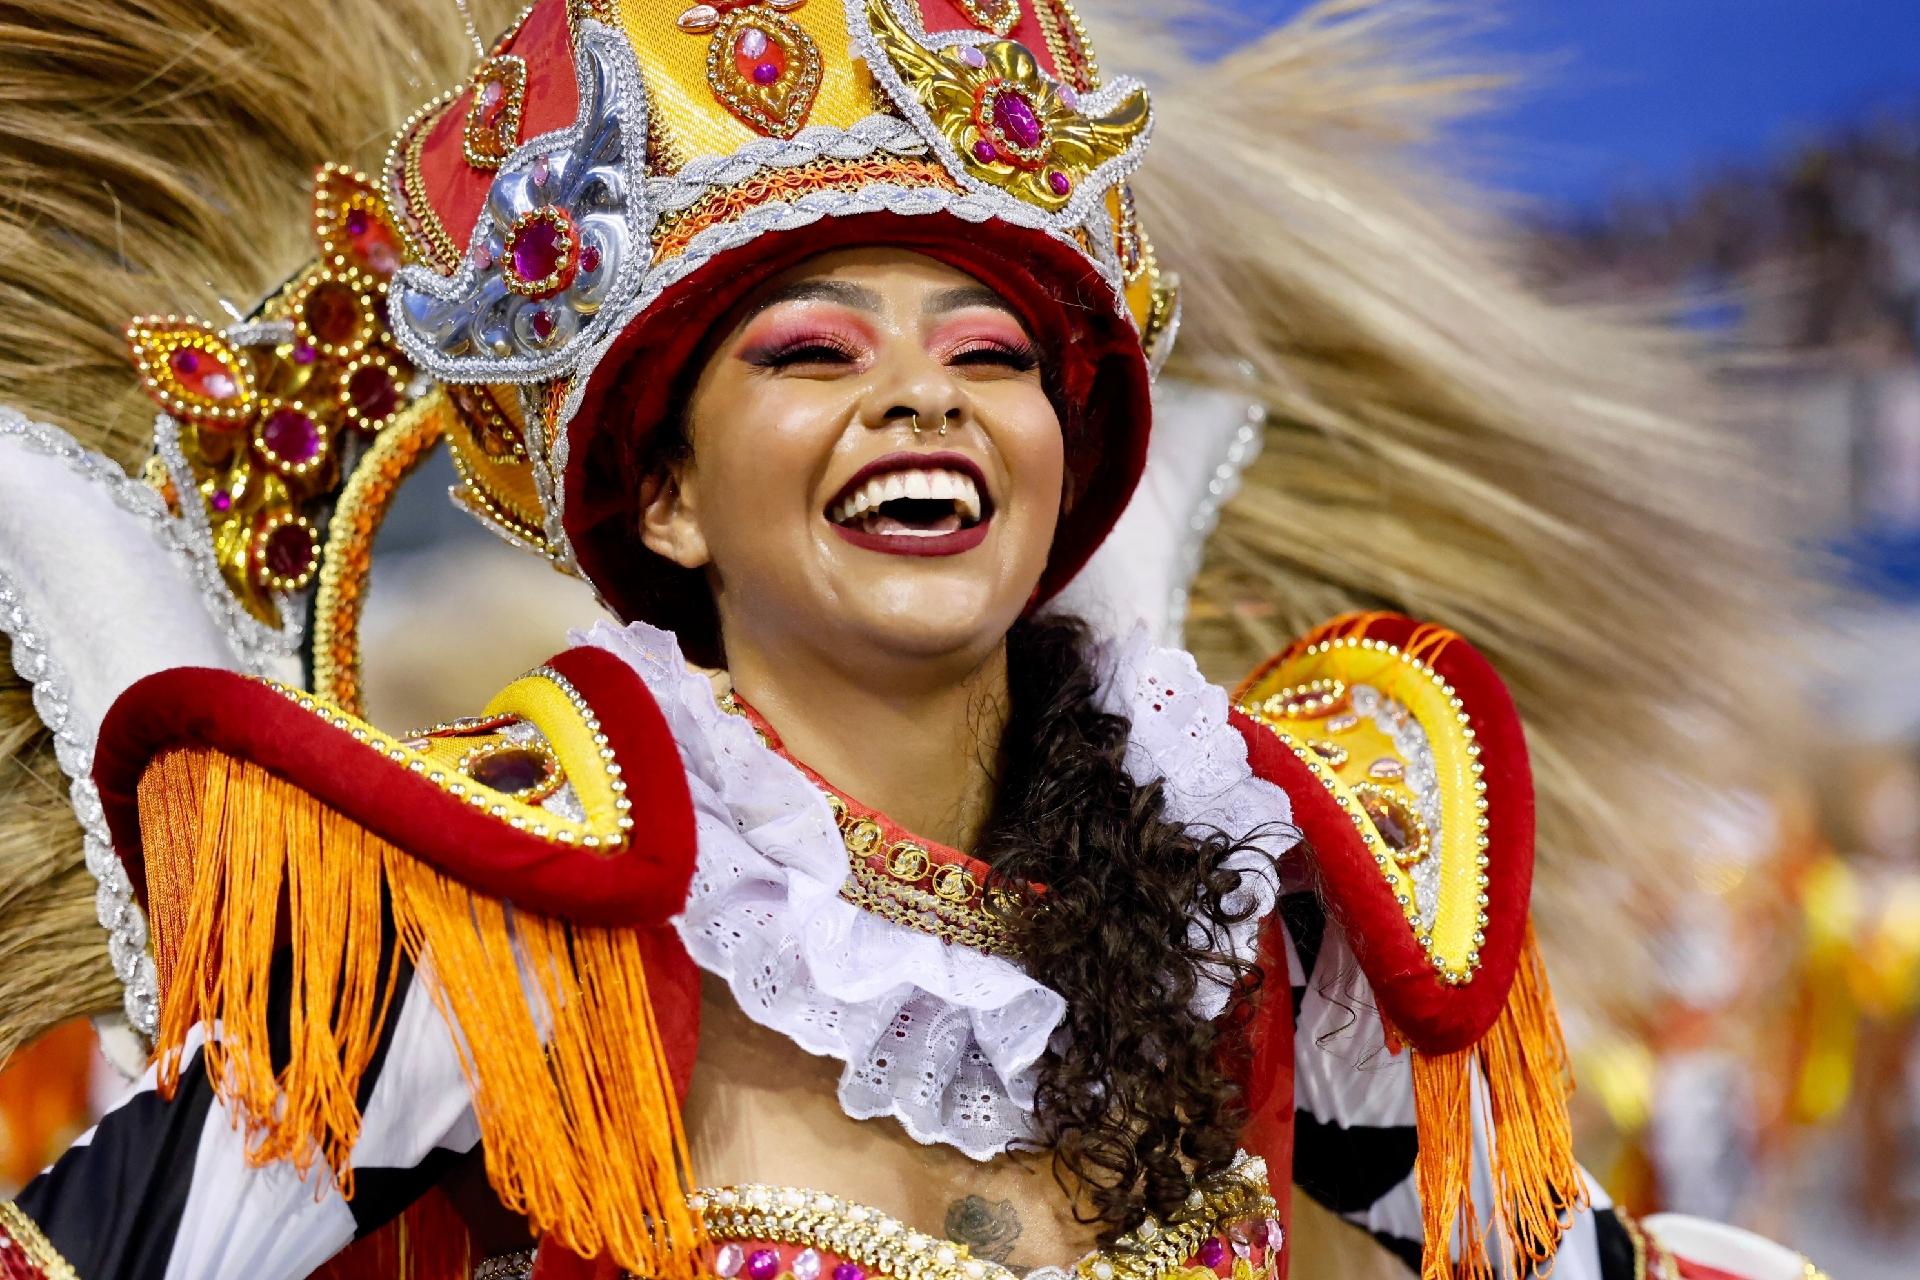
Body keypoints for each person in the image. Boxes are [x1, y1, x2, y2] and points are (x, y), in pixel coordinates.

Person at [0, 2, 1822, 1278]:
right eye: (812, 355)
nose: (919, 402)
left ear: (1060, 468)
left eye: (989, 356)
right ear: (668, 503)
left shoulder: (1260, 898)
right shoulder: (504, 919)